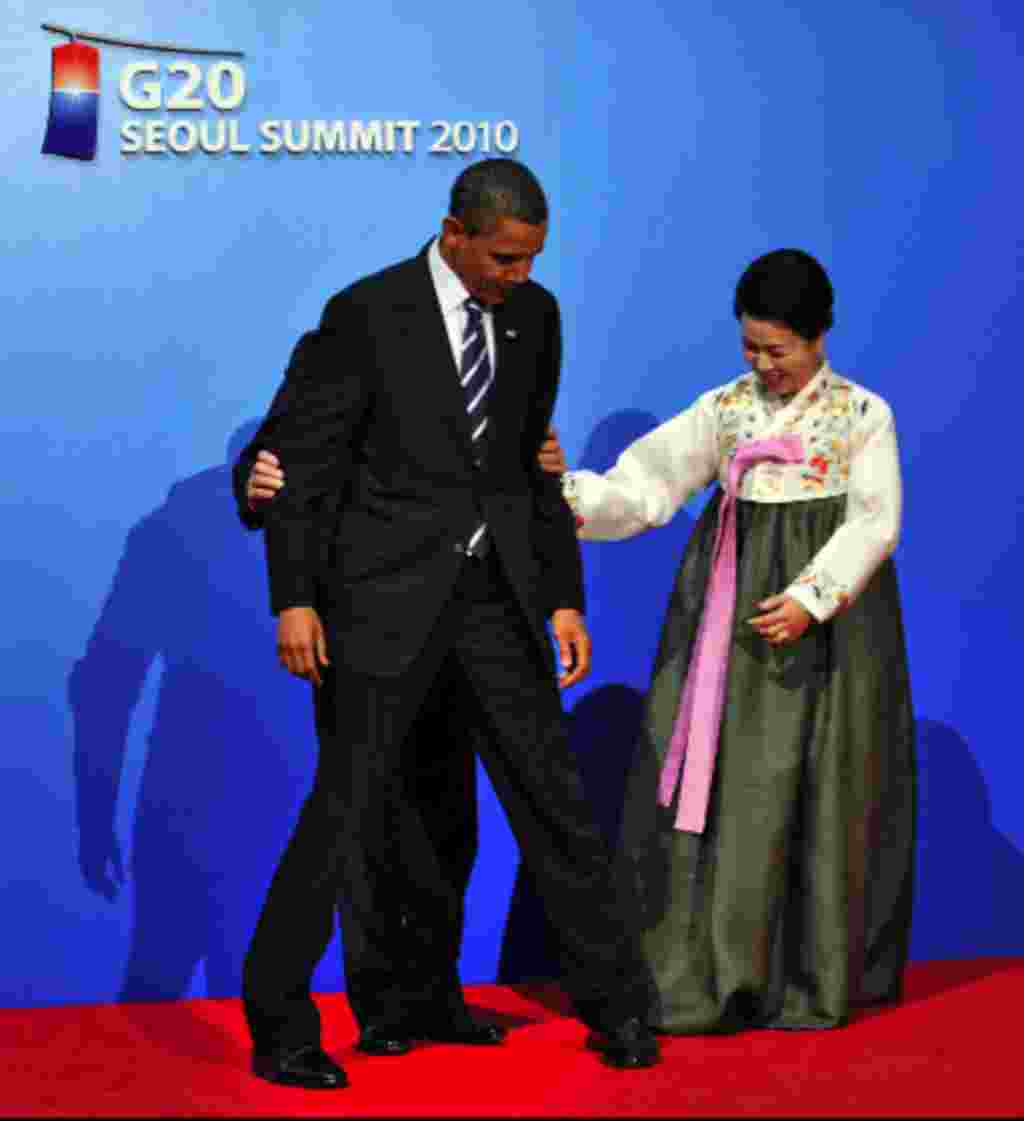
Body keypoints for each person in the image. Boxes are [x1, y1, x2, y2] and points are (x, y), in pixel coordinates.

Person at [233, 158, 659, 1090]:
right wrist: (294, 596)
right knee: (349, 813)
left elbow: (526, 467)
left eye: (534, 259)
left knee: (550, 801)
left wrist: (561, 593)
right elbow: (295, 459)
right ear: (456, 232)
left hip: (495, 600)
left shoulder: (536, 318)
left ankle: (617, 1007)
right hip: (376, 604)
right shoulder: (366, 313)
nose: (521, 275)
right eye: (505, 257)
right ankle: (282, 1020)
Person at [557, 248, 916, 1035]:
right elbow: (646, 485)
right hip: (726, 609)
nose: (763, 364)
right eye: (751, 346)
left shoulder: (863, 415)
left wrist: (811, 597)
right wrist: (566, 496)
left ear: (819, 337)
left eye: (778, 350)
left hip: (827, 625)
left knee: (816, 779)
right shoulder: (725, 408)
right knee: (723, 779)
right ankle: (713, 965)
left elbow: (875, 520)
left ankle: (807, 969)